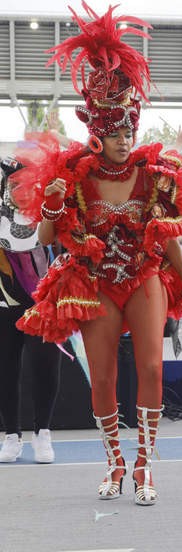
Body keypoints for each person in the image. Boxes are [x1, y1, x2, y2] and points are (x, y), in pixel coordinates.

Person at [11, 2, 182, 505]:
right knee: (102, 375)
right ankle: (114, 463)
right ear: (97, 132)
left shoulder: (156, 176)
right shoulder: (73, 176)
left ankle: (144, 466)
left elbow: (165, 239)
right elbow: (50, 238)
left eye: (129, 132)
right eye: (116, 133)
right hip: (95, 281)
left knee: (153, 368)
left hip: (143, 277)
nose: (124, 141)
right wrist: (52, 202)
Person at [0, 156, 61, 464]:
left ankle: (43, 433)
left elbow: (63, 252)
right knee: (5, 370)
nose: (20, 191)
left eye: (26, 184)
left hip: (43, 306)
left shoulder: (48, 213)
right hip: (3, 306)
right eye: (14, 185)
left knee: (45, 368)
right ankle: (11, 434)